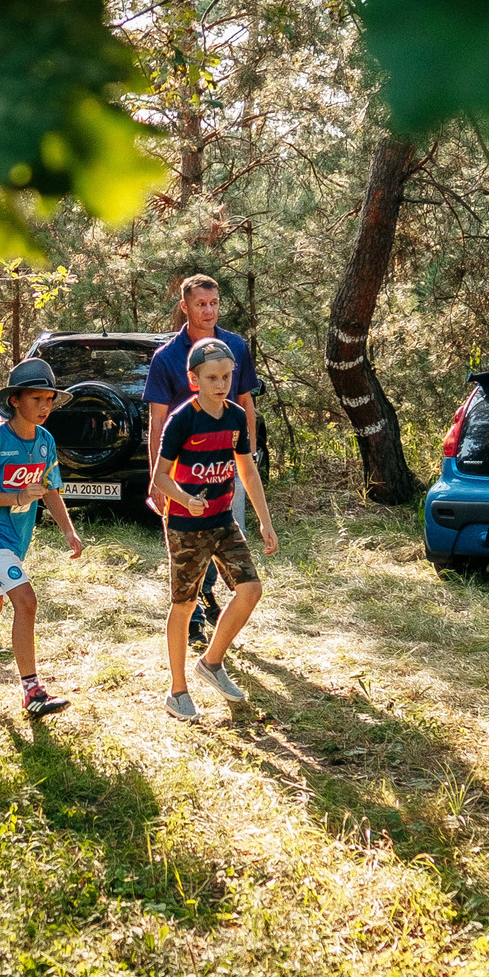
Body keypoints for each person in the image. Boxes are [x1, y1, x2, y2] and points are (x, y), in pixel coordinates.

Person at [151, 339, 279, 721]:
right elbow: (160, 476)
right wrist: (185, 497)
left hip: (223, 519)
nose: (221, 384)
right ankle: (177, 691)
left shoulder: (237, 416)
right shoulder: (182, 420)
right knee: (185, 604)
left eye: (226, 376)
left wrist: (265, 521)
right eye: (212, 378)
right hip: (186, 526)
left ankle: (211, 662)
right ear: (194, 379)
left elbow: (247, 469)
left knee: (250, 589)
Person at [0, 357, 84, 718]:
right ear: (15, 400)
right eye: (36, 399)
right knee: (26, 602)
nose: (45, 407)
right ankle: (32, 691)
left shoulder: (45, 440)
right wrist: (16, 497)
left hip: (18, 540)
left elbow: (50, 490)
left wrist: (68, 530)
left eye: (50, 400)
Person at [144, 273, 261, 650]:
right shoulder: (167, 357)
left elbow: (246, 405)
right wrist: (155, 480)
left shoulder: (236, 347)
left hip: (227, 464)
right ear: (185, 307)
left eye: (213, 303)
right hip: (182, 467)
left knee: (224, 533)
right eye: (200, 304)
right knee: (189, 542)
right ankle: (191, 614)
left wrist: (249, 458)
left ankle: (207, 606)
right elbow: (158, 421)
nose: (208, 311)